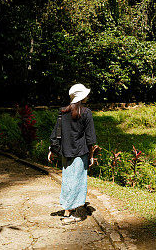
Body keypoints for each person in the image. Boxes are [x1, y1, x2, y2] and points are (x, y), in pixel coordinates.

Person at [48, 83, 97, 223]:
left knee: (68, 181)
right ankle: (77, 213)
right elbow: (90, 137)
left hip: (66, 152)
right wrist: (91, 155)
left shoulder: (63, 112)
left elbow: (56, 133)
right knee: (79, 181)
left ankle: (67, 211)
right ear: (82, 96)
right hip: (80, 153)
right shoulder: (86, 112)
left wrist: (51, 149)